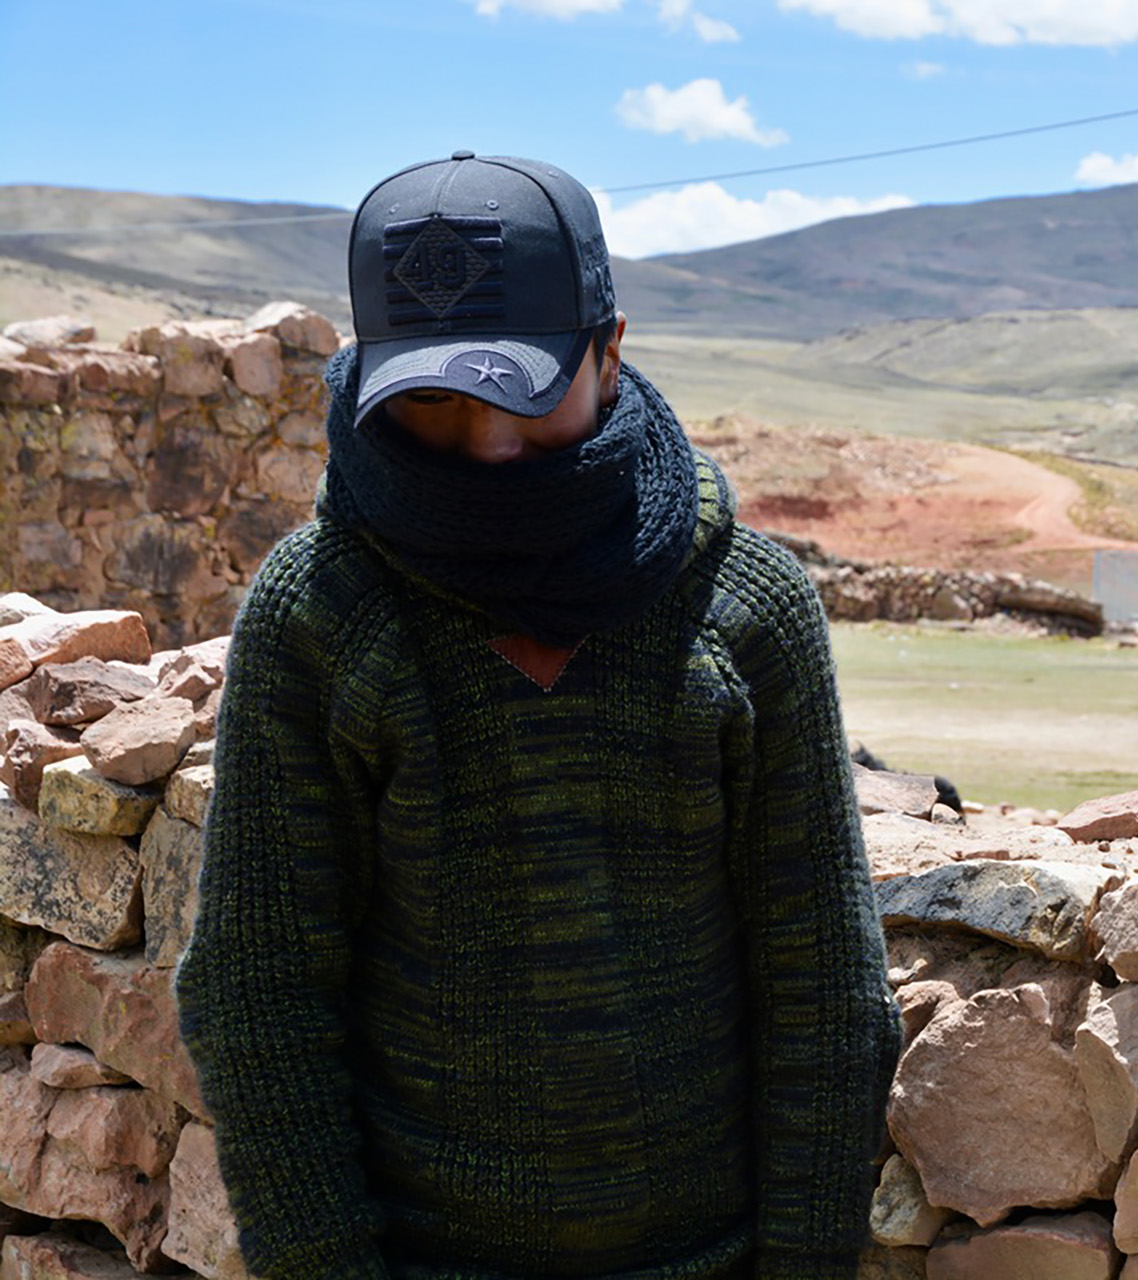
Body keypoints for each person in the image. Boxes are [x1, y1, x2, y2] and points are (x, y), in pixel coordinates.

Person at [175, 151, 901, 1280]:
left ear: (612, 347)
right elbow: (259, 990)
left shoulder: (746, 605)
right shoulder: (324, 609)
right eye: (432, 401)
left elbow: (825, 991)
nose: (489, 445)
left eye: (523, 393)